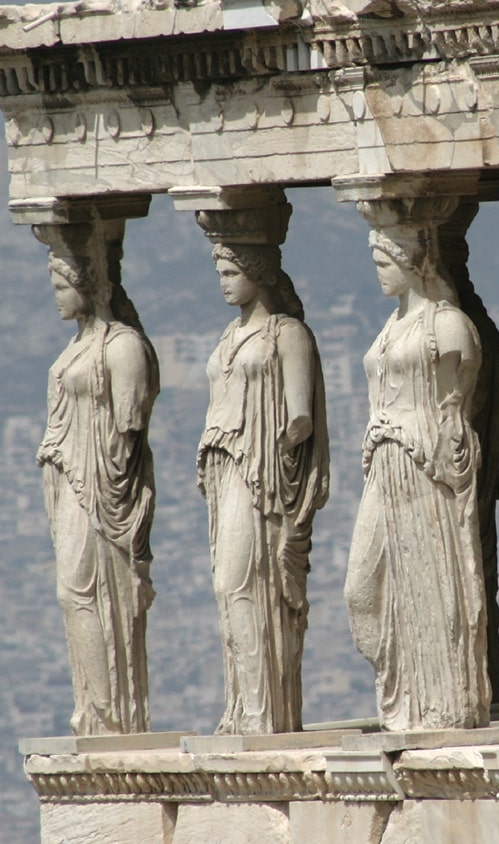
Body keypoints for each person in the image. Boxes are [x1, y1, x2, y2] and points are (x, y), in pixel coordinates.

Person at [345, 230, 490, 730]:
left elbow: (461, 409)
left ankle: (441, 704)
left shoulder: (447, 327)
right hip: (384, 467)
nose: (378, 270)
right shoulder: (390, 326)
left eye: (385, 260)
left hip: (424, 469)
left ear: (413, 262)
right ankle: (403, 694)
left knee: (435, 585)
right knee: (362, 592)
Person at [198, 243, 329, 735]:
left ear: (257, 272)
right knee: (227, 586)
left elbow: (300, 417)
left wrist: (267, 446)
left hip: (264, 477)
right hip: (225, 470)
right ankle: (243, 708)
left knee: (244, 582)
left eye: (232, 271)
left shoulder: (288, 335)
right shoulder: (229, 335)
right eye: (220, 272)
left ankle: (264, 713)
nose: (224, 281)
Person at [37, 245, 159, 736]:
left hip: (104, 484)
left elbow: (129, 422)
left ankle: (114, 716)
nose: (58, 299)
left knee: (86, 591)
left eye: (64, 288)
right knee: (72, 592)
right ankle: (94, 710)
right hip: (70, 478)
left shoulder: (123, 345)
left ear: (89, 287)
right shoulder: (74, 348)